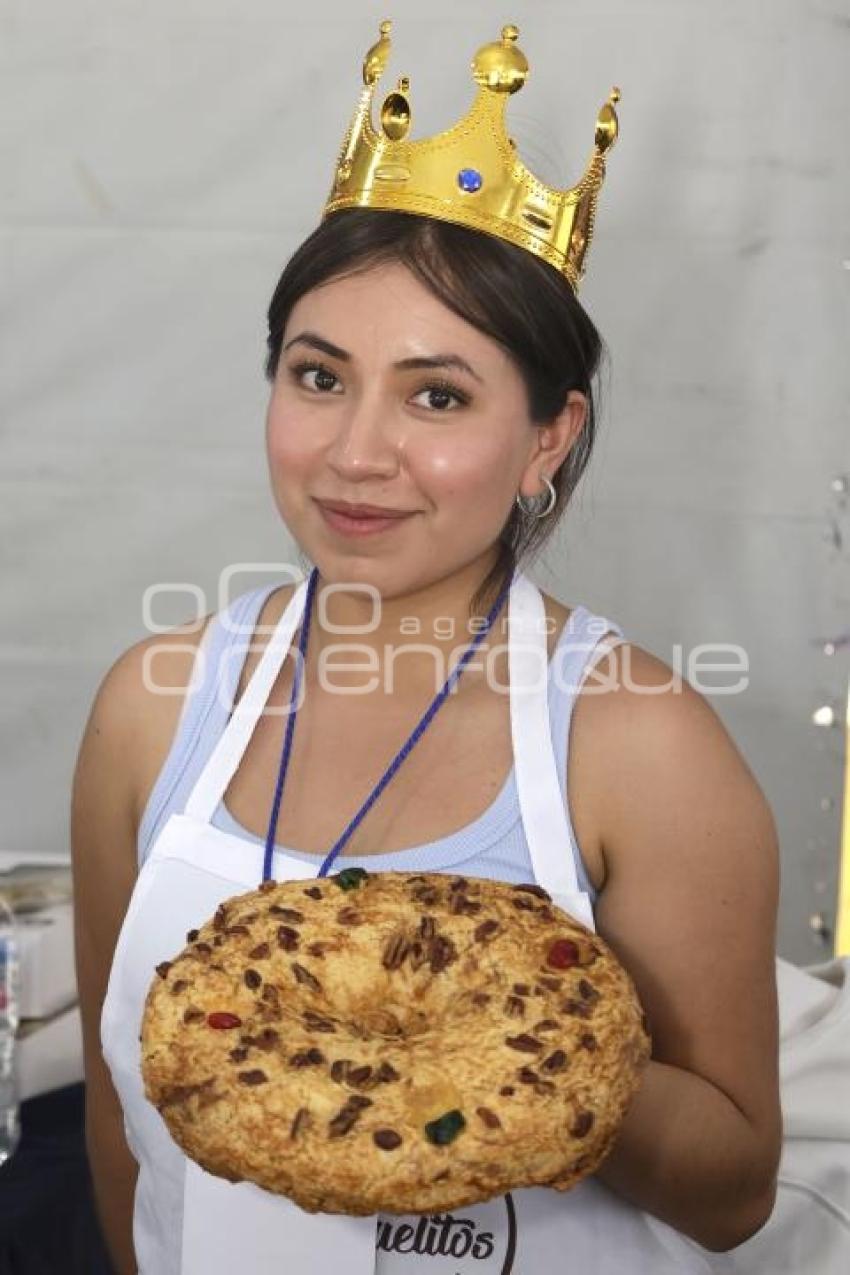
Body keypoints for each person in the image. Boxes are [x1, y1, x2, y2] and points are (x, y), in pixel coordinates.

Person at [70, 20, 782, 1275]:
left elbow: (732, 1197)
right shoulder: (154, 704)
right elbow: (121, 1121)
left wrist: (518, 1041)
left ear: (548, 438)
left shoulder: (638, 745)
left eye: (437, 396)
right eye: (318, 377)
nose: (356, 453)